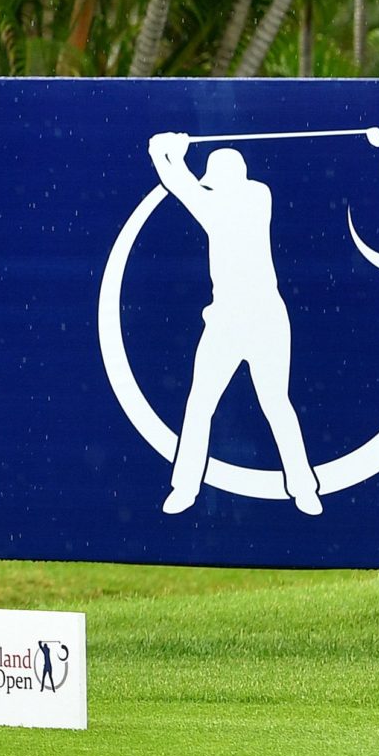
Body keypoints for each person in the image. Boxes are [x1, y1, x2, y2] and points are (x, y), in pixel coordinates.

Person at [146, 132, 321, 516]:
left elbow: (180, 184)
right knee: (201, 403)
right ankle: (185, 488)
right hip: (227, 319)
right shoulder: (241, 197)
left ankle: (304, 488)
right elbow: (183, 184)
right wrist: (169, 155)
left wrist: (164, 152)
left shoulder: (252, 198)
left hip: (264, 319)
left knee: (275, 403)